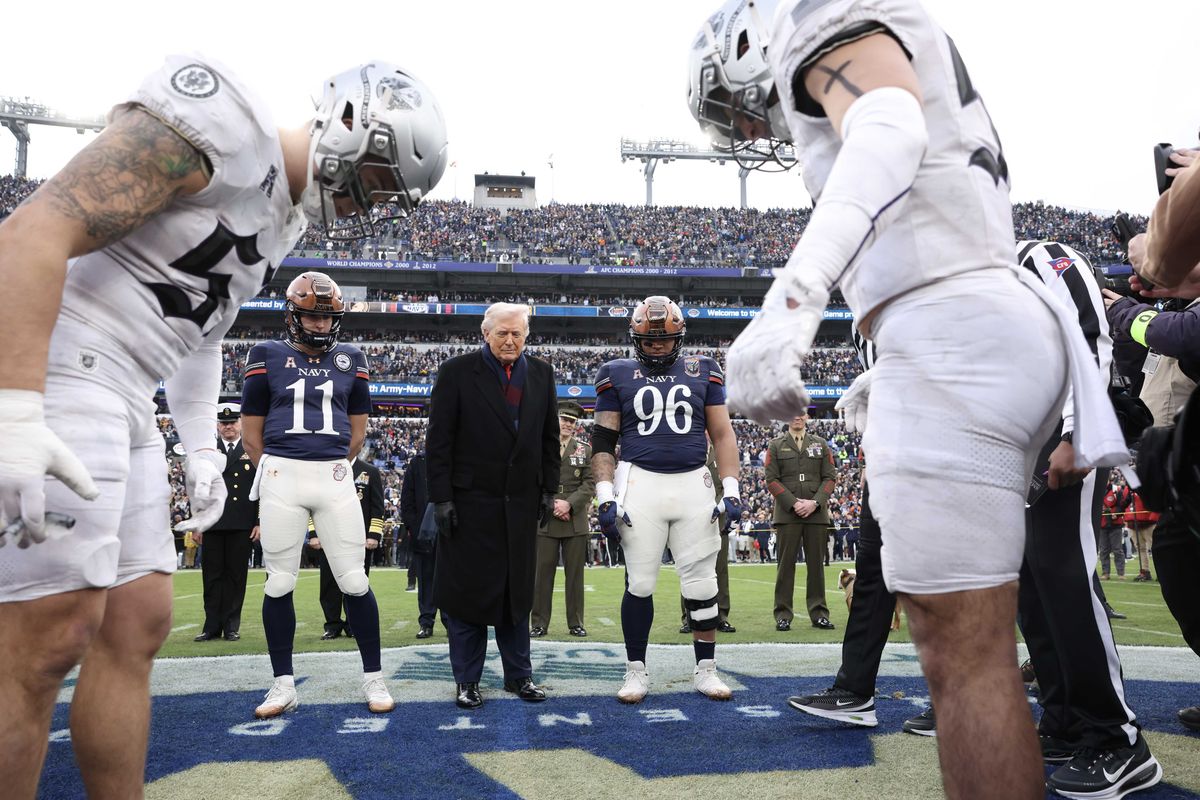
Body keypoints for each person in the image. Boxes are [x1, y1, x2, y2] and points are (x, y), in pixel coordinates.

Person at [688, 5, 1126, 799]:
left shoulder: (812, 20)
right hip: (984, 318)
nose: (757, 132)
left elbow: (889, 127)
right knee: (985, 642)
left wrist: (790, 302)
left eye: (741, 110)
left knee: (963, 661)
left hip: (949, 332)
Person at [0, 55, 446, 798]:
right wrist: (16, 404)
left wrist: (202, 446)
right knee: (46, 635)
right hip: (64, 361)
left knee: (136, 619)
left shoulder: (284, 219)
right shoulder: (224, 124)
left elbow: (200, 339)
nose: (371, 205)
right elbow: (35, 230)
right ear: (347, 125)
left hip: (133, 390)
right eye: (376, 180)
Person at [240, 271, 392, 718]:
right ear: (293, 314)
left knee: (354, 580)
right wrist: (282, 471)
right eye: (312, 317)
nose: (322, 326)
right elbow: (252, 436)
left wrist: (327, 467)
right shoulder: (265, 354)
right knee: (280, 581)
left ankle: (373, 677)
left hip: (333, 475)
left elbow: (357, 435)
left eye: (328, 319)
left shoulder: (352, 357)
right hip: (282, 474)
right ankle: (283, 684)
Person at [591, 296, 743, 704]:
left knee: (702, 582)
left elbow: (723, 433)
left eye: (665, 339)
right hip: (641, 483)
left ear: (680, 336)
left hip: (694, 482)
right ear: (636, 337)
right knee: (639, 582)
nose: (658, 346)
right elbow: (604, 438)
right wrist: (605, 494)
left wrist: (732, 489)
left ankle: (706, 669)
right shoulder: (616, 373)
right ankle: (635, 671)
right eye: (650, 340)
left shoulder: (704, 369)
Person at [425, 302, 560, 710]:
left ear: (526, 335)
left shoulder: (541, 374)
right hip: (469, 505)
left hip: (519, 505)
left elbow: (549, 439)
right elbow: (439, 442)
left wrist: (547, 491)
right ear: (485, 333)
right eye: (502, 332)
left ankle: (520, 677)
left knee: (517, 595)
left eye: (517, 333)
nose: (510, 340)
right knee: (467, 598)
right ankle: (467, 681)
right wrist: (442, 499)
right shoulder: (456, 372)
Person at [193, 403, 259, 642]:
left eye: (232, 423)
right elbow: (198, 488)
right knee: (211, 577)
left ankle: (231, 625)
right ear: (218, 425)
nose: (228, 427)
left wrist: (258, 521)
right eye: (223, 423)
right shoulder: (208, 451)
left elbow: (259, 488)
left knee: (235, 577)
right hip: (213, 523)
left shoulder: (251, 449)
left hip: (241, 522)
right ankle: (211, 626)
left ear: (240, 424)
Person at [765, 413, 836, 631]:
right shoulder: (775, 445)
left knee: (816, 567)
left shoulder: (821, 444)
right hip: (788, 514)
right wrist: (794, 503)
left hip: (816, 514)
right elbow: (771, 479)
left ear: (807, 416)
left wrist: (815, 503)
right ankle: (783, 615)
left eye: (801, 412)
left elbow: (830, 477)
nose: (797, 416)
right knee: (785, 567)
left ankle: (819, 613)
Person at [531, 400, 595, 638]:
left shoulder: (584, 449)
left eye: (572, 421)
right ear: (556, 421)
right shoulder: (540, 447)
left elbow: (590, 483)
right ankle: (538, 623)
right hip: (546, 517)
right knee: (542, 576)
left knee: (575, 577)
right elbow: (532, 479)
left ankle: (575, 623)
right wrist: (552, 503)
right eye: (564, 419)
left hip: (574, 519)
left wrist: (569, 503)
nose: (568, 424)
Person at [309, 454, 385, 640]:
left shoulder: (370, 471)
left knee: (356, 583)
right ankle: (332, 625)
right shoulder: (323, 470)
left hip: (358, 539)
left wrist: (374, 534)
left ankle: (354, 624)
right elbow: (312, 504)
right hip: (329, 535)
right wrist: (313, 532)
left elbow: (377, 506)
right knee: (328, 584)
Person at [679, 442, 736, 635]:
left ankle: (721, 617)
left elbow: (727, 488)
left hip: (718, 520)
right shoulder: (685, 449)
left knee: (720, 571)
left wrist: (715, 507)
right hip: (690, 519)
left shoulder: (721, 451)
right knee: (690, 569)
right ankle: (689, 617)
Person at [399, 446, 443, 639]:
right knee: (425, 580)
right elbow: (407, 498)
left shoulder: (453, 458)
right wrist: (414, 527)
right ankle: (426, 622)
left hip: (447, 531)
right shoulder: (417, 463)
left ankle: (452, 622)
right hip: (422, 533)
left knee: (450, 579)